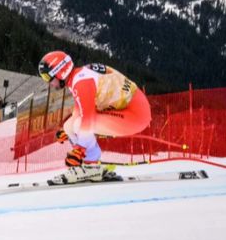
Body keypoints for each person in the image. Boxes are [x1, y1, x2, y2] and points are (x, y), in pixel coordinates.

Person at [38, 50, 151, 184]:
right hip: (128, 109)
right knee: (69, 126)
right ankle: (90, 165)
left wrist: (79, 150)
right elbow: (80, 109)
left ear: (60, 71)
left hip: (135, 114)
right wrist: (68, 133)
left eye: (48, 77)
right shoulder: (77, 77)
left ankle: (91, 165)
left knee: (80, 124)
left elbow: (88, 119)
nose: (48, 82)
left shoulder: (82, 83)